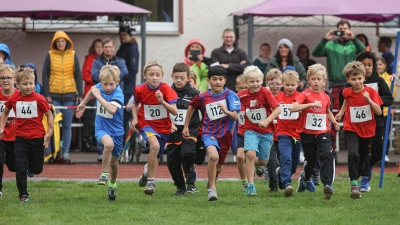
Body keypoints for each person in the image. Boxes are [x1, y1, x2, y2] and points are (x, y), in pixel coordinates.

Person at [183, 65, 240, 201]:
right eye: (214, 79)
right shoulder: (203, 96)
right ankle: (212, 190)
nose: (217, 82)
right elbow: (192, 105)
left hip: (225, 135)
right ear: (208, 80)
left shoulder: (231, 95)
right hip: (209, 133)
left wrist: (225, 111)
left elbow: (235, 116)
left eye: (220, 79)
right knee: (213, 157)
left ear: (225, 80)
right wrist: (186, 125)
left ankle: (213, 178)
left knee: (219, 166)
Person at [312, 20, 365, 159]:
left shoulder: (353, 45)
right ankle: (332, 149)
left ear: (350, 30)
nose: (342, 31)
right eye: (340, 29)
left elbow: (364, 52)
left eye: (345, 29)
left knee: (352, 115)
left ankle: (354, 149)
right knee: (335, 115)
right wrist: (325, 38)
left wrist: (353, 38)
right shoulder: (330, 44)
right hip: (335, 84)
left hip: (351, 84)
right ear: (336, 30)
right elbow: (315, 52)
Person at [0, 67, 53, 203]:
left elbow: (49, 114)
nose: (28, 86)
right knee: (20, 166)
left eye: (31, 83)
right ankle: (23, 194)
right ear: (17, 84)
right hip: (20, 138)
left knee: (37, 169)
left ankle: (31, 167)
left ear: (34, 83)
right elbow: (5, 112)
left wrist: (49, 132)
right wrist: (1, 127)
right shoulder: (14, 98)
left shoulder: (39, 99)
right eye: (25, 84)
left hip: (37, 137)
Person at [290, 64, 340, 200]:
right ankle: (305, 178)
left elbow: (327, 111)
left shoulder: (326, 97)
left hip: (323, 132)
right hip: (307, 133)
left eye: (319, 79)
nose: (316, 81)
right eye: (313, 79)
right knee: (311, 161)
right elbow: (293, 108)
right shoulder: (304, 94)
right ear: (308, 80)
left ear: (324, 80)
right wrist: (310, 105)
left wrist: (334, 121)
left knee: (326, 155)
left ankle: (327, 185)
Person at [346, 51, 393, 192]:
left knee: (378, 153)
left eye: (369, 65)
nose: (367, 68)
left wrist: (374, 100)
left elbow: (389, 99)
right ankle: (364, 178)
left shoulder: (378, 81)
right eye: (364, 65)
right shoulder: (354, 81)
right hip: (357, 123)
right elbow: (345, 96)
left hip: (376, 121)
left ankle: (365, 168)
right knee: (360, 151)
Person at [335, 61, 383, 199]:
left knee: (362, 156)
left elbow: (379, 111)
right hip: (352, 128)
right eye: (353, 79)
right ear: (348, 80)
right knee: (353, 153)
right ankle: (354, 183)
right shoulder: (346, 91)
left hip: (368, 130)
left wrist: (369, 100)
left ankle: (362, 175)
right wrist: (341, 112)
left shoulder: (371, 92)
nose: (357, 82)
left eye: (359, 78)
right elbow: (347, 99)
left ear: (364, 77)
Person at [76, 65, 124, 201]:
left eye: (111, 84)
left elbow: (112, 110)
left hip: (117, 132)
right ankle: (104, 173)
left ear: (117, 82)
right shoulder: (100, 86)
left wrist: (98, 96)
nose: (108, 87)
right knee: (108, 145)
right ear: (101, 81)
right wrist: (83, 103)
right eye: (105, 84)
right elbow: (93, 90)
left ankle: (113, 185)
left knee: (114, 164)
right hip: (101, 128)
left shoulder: (118, 94)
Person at [131, 61, 178, 195]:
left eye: (157, 75)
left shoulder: (166, 90)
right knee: (155, 146)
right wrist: (135, 119)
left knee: (156, 155)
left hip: (163, 127)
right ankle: (151, 182)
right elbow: (135, 104)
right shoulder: (140, 89)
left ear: (162, 76)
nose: (154, 77)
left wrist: (162, 101)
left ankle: (147, 172)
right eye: (151, 74)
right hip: (146, 124)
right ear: (144, 76)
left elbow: (174, 111)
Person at [238, 65, 281, 196]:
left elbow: (277, 109)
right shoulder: (242, 95)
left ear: (261, 81)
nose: (255, 84)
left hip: (266, 131)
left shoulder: (266, 93)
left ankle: (254, 164)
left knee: (263, 161)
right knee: (250, 154)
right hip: (250, 130)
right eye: (252, 81)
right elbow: (236, 110)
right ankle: (251, 185)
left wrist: (267, 121)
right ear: (246, 82)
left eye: (257, 81)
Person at [42, 30, 83, 162]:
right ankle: (53, 152)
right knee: (52, 124)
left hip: (70, 95)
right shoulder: (49, 55)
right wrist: (46, 93)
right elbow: (45, 74)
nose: (60, 43)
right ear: (54, 43)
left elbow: (78, 75)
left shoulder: (73, 54)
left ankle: (65, 152)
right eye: (58, 41)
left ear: (67, 42)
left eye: (63, 41)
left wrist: (80, 94)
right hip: (52, 96)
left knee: (66, 125)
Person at [166, 63, 201, 195]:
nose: (179, 80)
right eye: (176, 78)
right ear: (172, 77)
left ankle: (191, 178)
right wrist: (169, 123)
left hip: (190, 130)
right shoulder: (167, 92)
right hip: (173, 132)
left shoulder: (195, 94)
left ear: (188, 78)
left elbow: (204, 110)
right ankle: (180, 187)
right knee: (172, 162)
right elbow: (162, 110)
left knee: (187, 154)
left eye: (182, 78)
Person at [92, 38, 128, 159]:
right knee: (100, 122)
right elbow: (94, 76)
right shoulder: (97, 61)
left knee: (116, 120)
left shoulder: (120, 61)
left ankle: (116, 151)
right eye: (105, 47)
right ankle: (101, 151)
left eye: (110, 47)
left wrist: (111, 75)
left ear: (113, 48)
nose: (108, 49)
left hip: (115, 98)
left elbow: (125, 72)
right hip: (101, 96)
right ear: (102, 48)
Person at [275, 70, 302, 197]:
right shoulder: (277, 98)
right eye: (287, 85)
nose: (290, 87)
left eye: (292, 85)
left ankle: (282, 173)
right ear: (282, 84)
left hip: (297, 135)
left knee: (295, 162)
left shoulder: (301, 97)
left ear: (297, 84)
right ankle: (287, 183)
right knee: (286, 157)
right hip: (282, 133)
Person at [261, 68, 283, 192]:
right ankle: (273, 186)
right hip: (269, 134)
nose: (275, 87)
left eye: (278, 84)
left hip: (284, 134)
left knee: (286, 160)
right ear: (266, 83)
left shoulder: (285, 97)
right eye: (272, 84)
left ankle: (283, 180)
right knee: (272, 161)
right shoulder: (264, 97)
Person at [81, 39, 103, 153]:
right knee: (89, 120)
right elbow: (85, 75)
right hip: (90, 95)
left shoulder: (104, 60)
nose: (100, 49)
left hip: (102, 96)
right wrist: (98, 81)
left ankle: (96, 142)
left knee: (99, 120)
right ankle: (87, 142)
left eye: (101, 47)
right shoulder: (90, 59)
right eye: (97, 47)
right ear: (93, 48)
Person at [117, 26, 140, 132]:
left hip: (127, 86)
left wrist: (123, 79)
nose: (122, 37)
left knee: (125, 113)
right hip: (121, 85)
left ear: (129, 36)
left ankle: (124, 139)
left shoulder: (131, 47)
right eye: (120, 35)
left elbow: (133, 69)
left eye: (124, 35)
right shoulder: (124, 46)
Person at [0, 65, 17, 200]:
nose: (5, 81)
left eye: (8, 78)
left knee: (12, 166)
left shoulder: (20, 94)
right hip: (0, 134)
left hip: (15, 135)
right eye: (2, 78)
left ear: (14, 79)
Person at [376, 57, 397, 162]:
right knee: (377, 135)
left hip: (386, 112)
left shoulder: (389, 78)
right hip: (376, 112)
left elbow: (393, 94)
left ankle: (385, 154)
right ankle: (377, 154)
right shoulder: (373, 78)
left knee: (386, 134)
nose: (378, 66)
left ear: (384, 65)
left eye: (380, 64)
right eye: (377, 64)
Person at [234, 75, 248, 191]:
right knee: (239, 156)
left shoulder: (253, 99)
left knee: (253, 157)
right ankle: (244, 181)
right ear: (236, 88)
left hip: (255, 132)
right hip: (241, 132)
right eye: (240, 88)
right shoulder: (234, 100)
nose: (243, 90)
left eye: (245, 88)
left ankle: (256, 164)